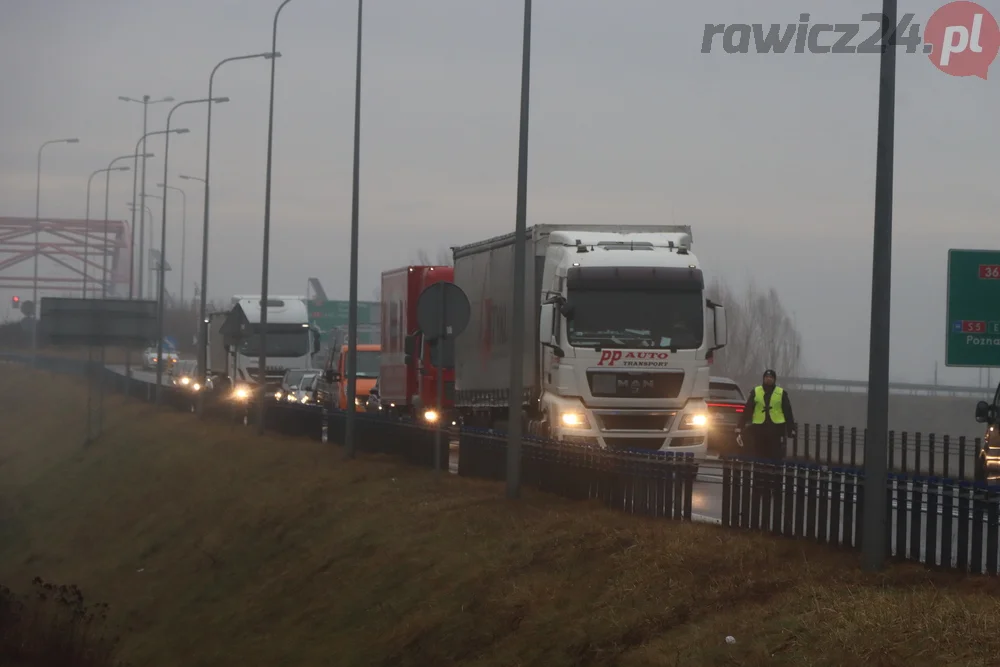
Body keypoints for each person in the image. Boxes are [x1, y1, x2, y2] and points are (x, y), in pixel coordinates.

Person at [735, 369, 796, 460]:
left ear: (774, 379)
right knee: (759, 453)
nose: (768, 379)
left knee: (774, 454)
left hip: (776, 428)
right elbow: (748, 410)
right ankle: (760, 472)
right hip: (759, 427)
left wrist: (791, 428)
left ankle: (772, 472)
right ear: (763, 379)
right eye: (766, 377)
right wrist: (740, 426)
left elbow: (788, 412)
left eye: (771, 377)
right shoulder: (756, 391)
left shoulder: (781, 393)